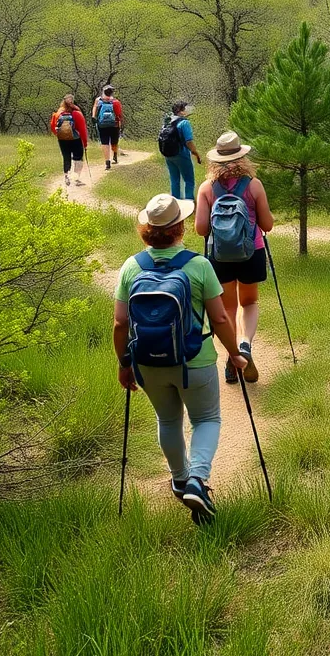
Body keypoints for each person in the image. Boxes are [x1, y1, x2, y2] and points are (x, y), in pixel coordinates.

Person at [113, 193, 248, 522]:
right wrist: (235, 354)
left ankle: (179, 478)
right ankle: (198, 481)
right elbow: (219, 319)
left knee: (168, 420)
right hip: (195, 361)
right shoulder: (199, 266)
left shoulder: (131, 267)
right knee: (206, 420)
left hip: (148, 361)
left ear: (147, 229)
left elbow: (120, 323)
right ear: (179, 227)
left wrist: (124, 363)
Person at [194, 132, 275, 384]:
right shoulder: (254, 185)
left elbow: (201, 229)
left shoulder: (207, 188)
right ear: (242, 156)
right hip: (252, 252)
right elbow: (268, 225)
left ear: (215, 160)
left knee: (227, 307)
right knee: (249, 303)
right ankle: (244, 344)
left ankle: (232, 355)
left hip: (220, 256)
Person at [161, 101, 203, 201]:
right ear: (181, 111)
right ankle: (189, 203)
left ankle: (175, 203)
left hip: (168, 154)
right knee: (189, 180)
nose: (188, 110)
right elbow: (189, 141)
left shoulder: (167, 122)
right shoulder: (184, 123)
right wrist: (195, 152)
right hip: (181, 154)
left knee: (174, 180)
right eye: (186, 108)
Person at [50, 94, 88, 187]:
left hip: (62, 139)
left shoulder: (58, 113)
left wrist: (60, 135)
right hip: (76, 139)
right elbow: (82, 129)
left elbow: (53, 126)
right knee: (78, 158)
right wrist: (85, 142)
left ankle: (66, 176)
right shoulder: (76, 113)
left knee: (66, 157)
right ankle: (76, 179)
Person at [91, 85, 123, 170]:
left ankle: (107, 162)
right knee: (114, 142)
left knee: (104, 143)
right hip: (114, 125)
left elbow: (94, 110)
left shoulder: (98, 100)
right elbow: (119, 115)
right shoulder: (116, 102)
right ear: (112, 93)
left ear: (103, 91)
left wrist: (94, 118)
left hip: (102, 125)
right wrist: (120, 125)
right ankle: (115, 155)